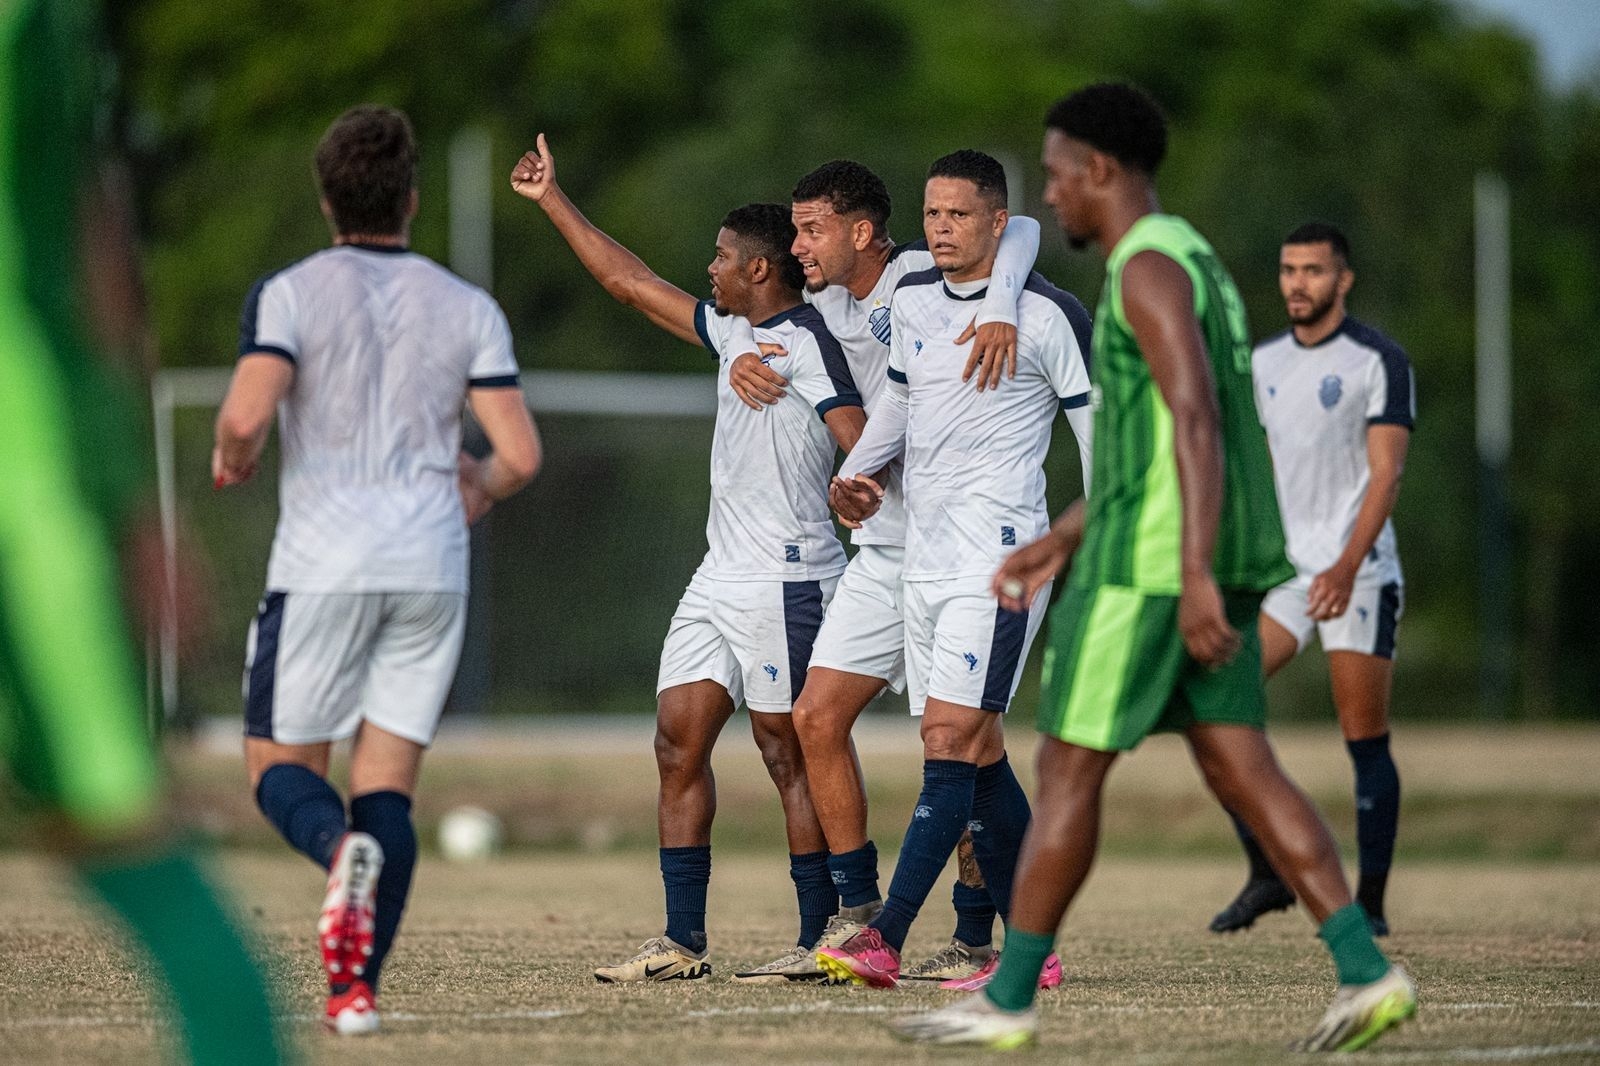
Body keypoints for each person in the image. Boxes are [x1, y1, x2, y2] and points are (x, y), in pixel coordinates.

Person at [892, 83, 1415, 1052]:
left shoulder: (1145, 269)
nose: (1050, 195)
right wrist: (1067, 532)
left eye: (1057, 175)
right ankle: (1365, 970)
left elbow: (1195, 418)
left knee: (1065, 767)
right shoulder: (1193, 257)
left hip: (1152, 571)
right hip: (1191, 551)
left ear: (1099, 168)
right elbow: (1148, 442)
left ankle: (1009, 996)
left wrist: (1190, 571)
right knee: (1240, 761)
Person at [509, 135, 868, 983]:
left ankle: (823, 936)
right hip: (719, 577)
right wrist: (553, 198)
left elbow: (858, 433)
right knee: (677, 741)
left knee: (786, 753)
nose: (709, 268)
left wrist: (858, 485)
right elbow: (629, 283)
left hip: (789, 576)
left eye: (721, 256)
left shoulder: (809, 343)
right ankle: (681, 942)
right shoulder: (732, 333)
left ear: (760, 269)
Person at [216, 105, 541, 1035]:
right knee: (388, 787)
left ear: (327, 199)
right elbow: (519, 456)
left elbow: (245, 417)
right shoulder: (466, 305)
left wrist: (235, 454)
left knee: (277, 768)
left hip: (324, 561)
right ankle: (353, 994)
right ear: (411, 200)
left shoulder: (289, 293)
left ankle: (336, 853)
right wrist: (475, 485)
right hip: (431, 563)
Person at [0, 2, 283, 1062]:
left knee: (122, 835)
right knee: (132, 847)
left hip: (29, 487)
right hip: (35, 491)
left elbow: (80, 234)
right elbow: (91, 242)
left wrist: (126, 502)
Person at [724, 159, 1045, 983]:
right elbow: (739, 315)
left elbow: (1019, 231)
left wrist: (1000, 305)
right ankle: (857, 915)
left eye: (812, 230)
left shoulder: (918, 277)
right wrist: (742, 351)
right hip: (883, 549)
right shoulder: (820, 303)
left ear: (863, 232)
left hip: (957, 548)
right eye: (793, 231)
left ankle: (980, 936)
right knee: (817, 715)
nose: (797, 246)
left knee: (965, 747)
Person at [815, 149, 1093, 991]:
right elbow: (900, 400)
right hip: (924, 561)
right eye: (932, 214)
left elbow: (1107, 452)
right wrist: (857, 473)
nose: (940, 229)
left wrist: (1076, 543)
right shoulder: (911, 299)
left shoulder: (1048, 316)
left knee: (946, 739)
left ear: (998, 224)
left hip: (1001, 563)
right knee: (978, 756)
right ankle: (1031, 951)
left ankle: (884, 935)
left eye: (960, 214)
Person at [1210, 223, 1414, 937]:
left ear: (1343, 279)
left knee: (1364, 737)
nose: (1298, 283)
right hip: (1287, 573)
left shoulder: (1377, 360)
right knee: (1214, 701)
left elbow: (1387, 475)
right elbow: (1260, 469)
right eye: (1289, 270)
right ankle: (1268, 871)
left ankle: (1373, 905)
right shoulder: (1264, 362)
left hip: (1359, 570)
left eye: (1313, 271)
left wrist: (1347, 566)